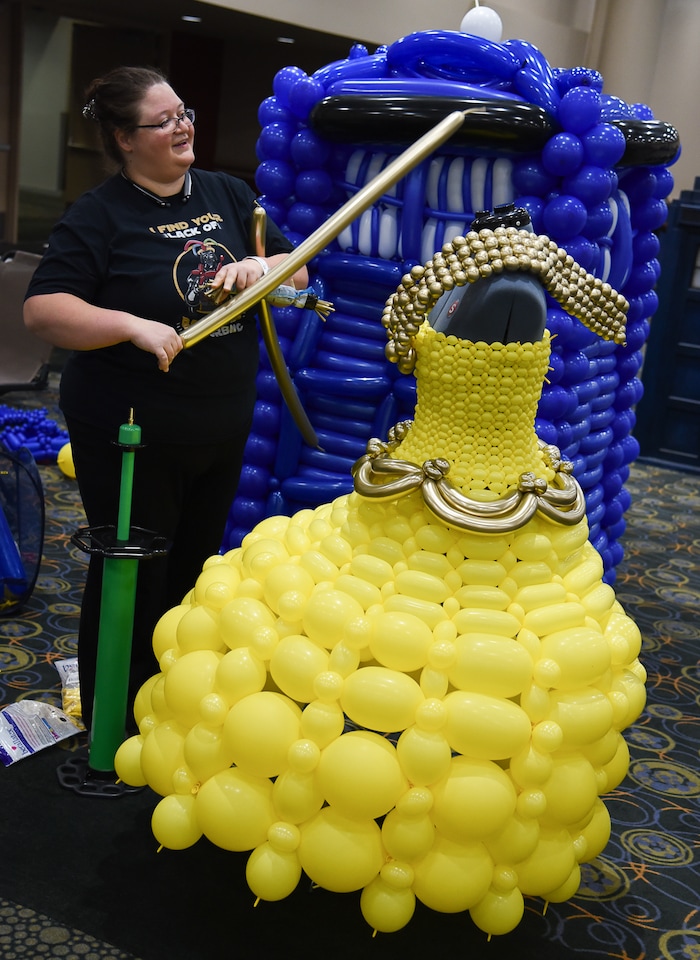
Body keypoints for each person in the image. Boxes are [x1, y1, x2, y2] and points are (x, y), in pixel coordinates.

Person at [23, 66, 308, 733]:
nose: (183, 127)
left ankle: (168, 709)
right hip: (132, 431)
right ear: (125, 139)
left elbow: (297, 267)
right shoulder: (98, 215)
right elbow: (44, 309)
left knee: (193, 573)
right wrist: (130, 324)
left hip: (219, 418)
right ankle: (111, 720)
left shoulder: (226, 193)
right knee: (134, 574)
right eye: (164, 120)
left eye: (184, 113)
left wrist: (255, 269)